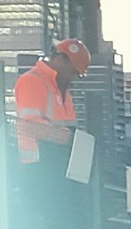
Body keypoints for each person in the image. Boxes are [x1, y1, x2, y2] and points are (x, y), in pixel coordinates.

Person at [13, 39, 90, 168]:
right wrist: (67, 138)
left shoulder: (62, 90)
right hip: (35, 166)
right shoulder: (33, 81)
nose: (73, 77)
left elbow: (70, 128)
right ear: (61, 59)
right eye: (73, 71)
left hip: (57, 164)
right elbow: (31, 126)